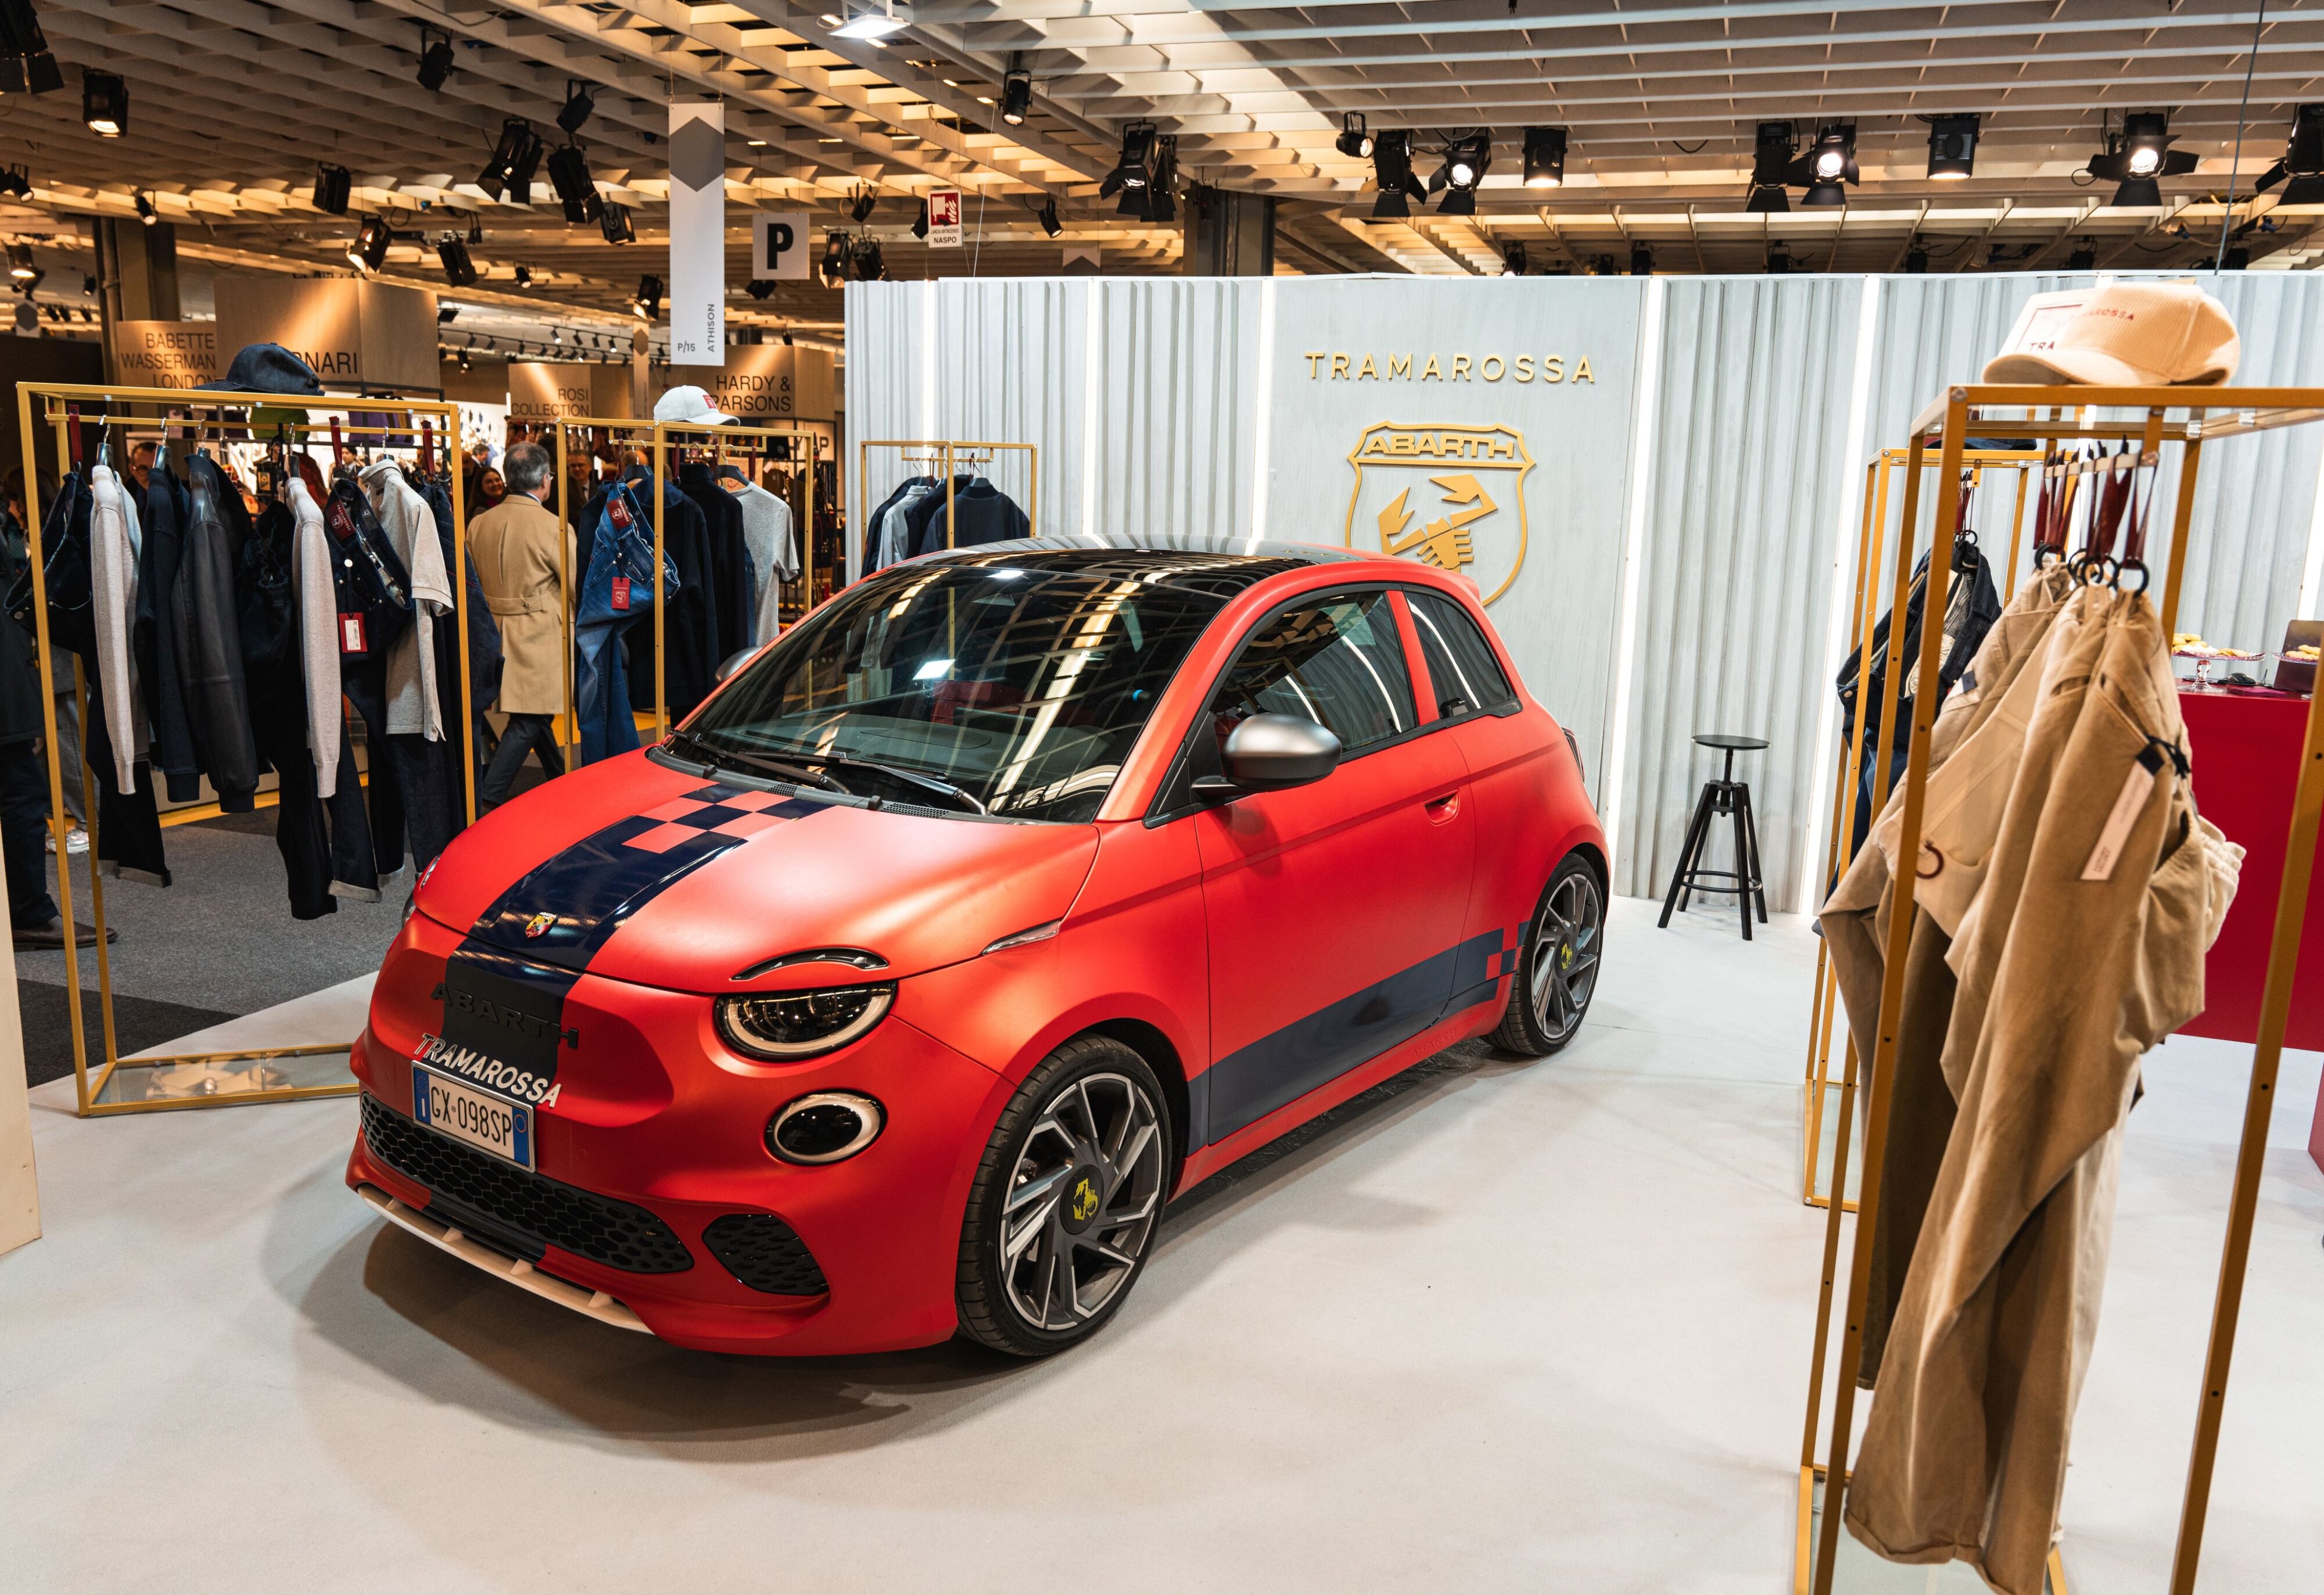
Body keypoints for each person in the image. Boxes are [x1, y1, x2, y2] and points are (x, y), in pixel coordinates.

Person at [467, 443, 571, 809]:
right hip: (540, 633)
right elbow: (574, 585)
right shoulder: (553, 526)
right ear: (545, 480)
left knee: (533, 713)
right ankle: (487, 798)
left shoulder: (478, 524)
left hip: (493, 631)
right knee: (531, 717)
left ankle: (562, 780)